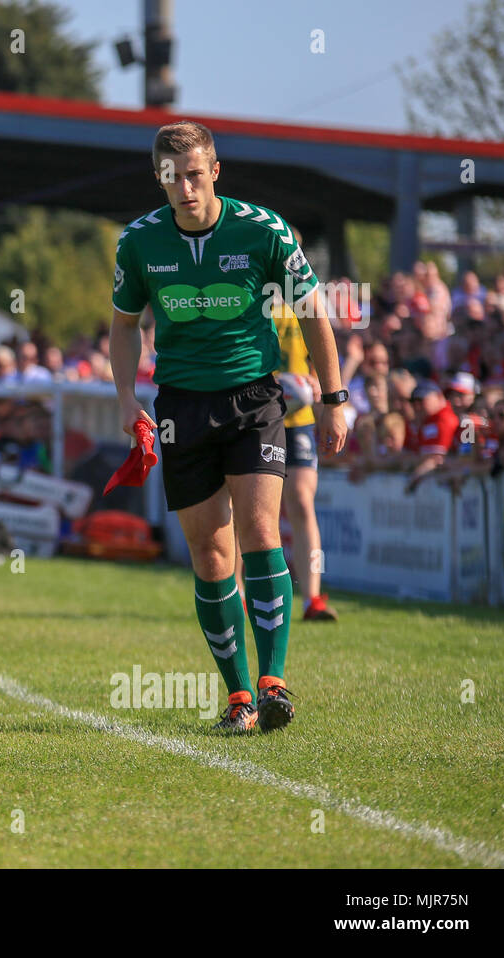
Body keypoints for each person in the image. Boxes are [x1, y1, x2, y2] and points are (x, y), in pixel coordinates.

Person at [110, 120, 347, 734]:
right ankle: (239, 697)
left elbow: (312, 307)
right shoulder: (138, 243)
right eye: (171, 177)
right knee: (211, 557)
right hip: (181, 406)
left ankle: (274, 681)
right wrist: (122, 397)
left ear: (215, 172)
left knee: (261, 528)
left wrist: (333, 396)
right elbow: (122, 325)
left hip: (254, 397)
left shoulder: (263, 230)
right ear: (159, 178)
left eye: (194, 174)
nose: (185, 188)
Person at [272, 299, 337, 621]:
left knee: (300, 502)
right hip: (254, 415)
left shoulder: (306, 305)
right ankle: (239, 593)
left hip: (298, 418)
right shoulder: (245, 295)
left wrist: (315, 382)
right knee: (249, 507)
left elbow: (322, 352)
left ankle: (312, 599)